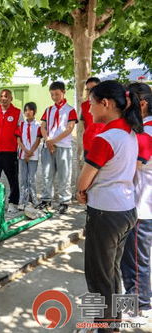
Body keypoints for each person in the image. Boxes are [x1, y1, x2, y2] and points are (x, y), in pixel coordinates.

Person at [76, 80, 143, 330]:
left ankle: (105, 326)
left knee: (98, 275)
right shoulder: (130, 132)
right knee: (112, 270)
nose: (89, 109)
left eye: (92, 104)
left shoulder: (105, 138)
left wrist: (82, 190)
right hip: (125, 210)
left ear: (105, 104)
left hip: (105, 213)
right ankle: (114, 323)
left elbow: (83, 180)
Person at [120, 88, 152, 318]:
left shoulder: (145, 134)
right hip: (142, 202)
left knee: (136, 259)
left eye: (126, 101)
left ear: (141, 104)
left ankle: (141, 304)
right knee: (134, 258)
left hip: (141, 205)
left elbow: (130, 168)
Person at [38, 81, 78, 214]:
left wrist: (54, 140)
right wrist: (47, 140)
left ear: (63, 92)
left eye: (57, 94)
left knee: (64, 175)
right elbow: (43, 126)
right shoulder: (49, 110)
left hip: (63, 147)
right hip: (48, 146)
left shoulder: (70, 110)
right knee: (47, 174)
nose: (54, 97)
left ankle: (64, 201)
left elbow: (69, 128)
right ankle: (46, 199)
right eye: (52, 94)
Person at [0, 89, 23, 213]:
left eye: (6, 96)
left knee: (13, 179)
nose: (4, 98)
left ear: (11, 98)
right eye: (1, 96)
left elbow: (20, 130)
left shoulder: (17, 112)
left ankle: (13, 203)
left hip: (10, 151)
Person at [16, 102, 42, 210]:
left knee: (32, 178)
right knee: (23, 178)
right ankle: (23, 200)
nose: (28, 112)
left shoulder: (38, 125)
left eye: (30, 110)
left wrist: (30, 152)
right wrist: (25, 151)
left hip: (33, 155)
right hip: (22, 155)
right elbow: (18, 140)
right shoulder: (21, 125)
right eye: (26, 110)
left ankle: (34, 199)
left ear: (34, 111)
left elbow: (38, 140)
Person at [80, 77, 104, 157]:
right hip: (88, 144)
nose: (90, 92)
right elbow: (83, 123)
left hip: (103, 143)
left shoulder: (106, 104)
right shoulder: (84, 106)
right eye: (88, 89)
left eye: (93, 88)